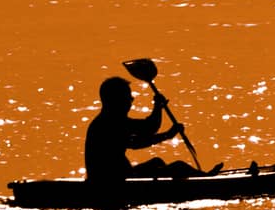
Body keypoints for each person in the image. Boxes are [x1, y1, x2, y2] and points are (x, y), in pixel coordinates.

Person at [84, 75, 218, 182]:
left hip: (121, 176)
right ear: (116, 100)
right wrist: (167, 135)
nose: (131, 99)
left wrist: (157, 107)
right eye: (128, 97)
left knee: (157, 162)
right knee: (179, 166)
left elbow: (149, 127)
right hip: (113, 182)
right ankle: (207, 180)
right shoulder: (108, 124)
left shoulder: (114, 120)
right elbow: (136, 143)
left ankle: (194, 180)